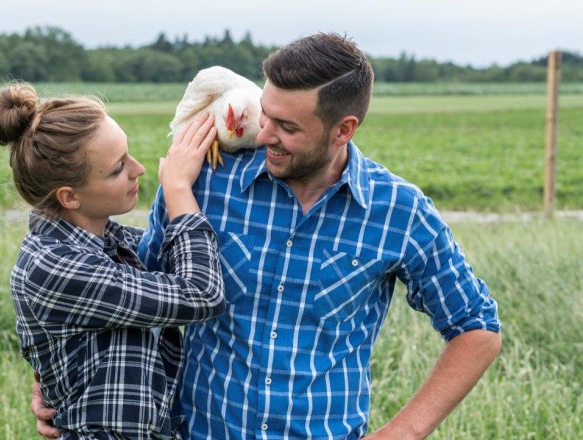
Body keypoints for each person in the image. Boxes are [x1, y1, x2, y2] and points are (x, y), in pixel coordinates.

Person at [34, 32, 502, 439]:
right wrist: (60, 381)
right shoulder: (204, 181)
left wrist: (402, 432)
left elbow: (477, 328)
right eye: (266, 113)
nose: (262, 135)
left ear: (344, 129)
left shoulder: (399, 211)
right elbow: (137, 298)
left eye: (288, 127)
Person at [0, 83, 227, 439]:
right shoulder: (53, 267)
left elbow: (181, 259)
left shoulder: (110, 241)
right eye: (117, 168)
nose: (138, 169)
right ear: (70, 197)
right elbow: (201, 293)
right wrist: (179, 190)